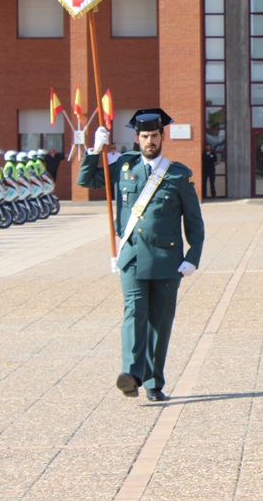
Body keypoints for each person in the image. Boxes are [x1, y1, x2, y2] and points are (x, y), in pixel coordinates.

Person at [78, 108, 205, 403]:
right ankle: (131, 374)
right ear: (137, 138)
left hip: (167, 260)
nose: (150, 141)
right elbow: (87, 181)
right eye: (145, 136)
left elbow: (194, 221)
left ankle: (152, 381)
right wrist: (95, 150)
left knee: (160, 323)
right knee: (134, 313)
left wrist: (193, 256)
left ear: (162, 137)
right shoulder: (123, 166)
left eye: (154, 135)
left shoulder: (178, 174)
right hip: (132, 256)